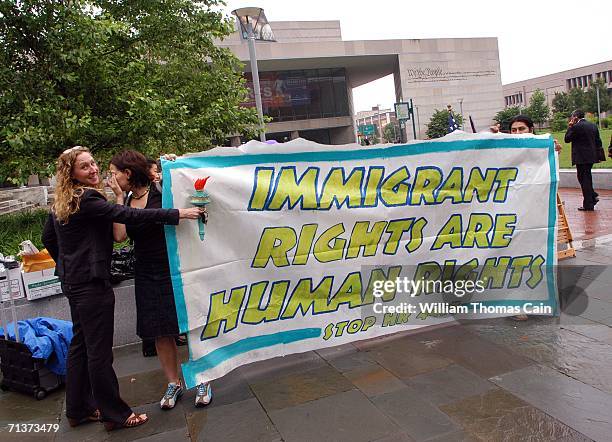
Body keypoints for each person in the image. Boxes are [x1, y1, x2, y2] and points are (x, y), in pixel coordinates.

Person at [41, 146, 202, 431]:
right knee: (99, 353)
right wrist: (180, 213)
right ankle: (115, 414)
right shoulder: (88, 197)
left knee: (80, 346)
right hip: (91, 284)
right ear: (72, 173)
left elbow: (48, 238)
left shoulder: (64, 199)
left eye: (93, 163)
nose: (93, 170)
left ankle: (77, 409)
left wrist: (68, 265)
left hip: (73, 282)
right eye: (84, 167)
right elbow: (130, 216)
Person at [108, 150, 213, 409]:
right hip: (146, 270)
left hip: (175, 266)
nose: (110, 178)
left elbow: (192, 195)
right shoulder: (127, 199)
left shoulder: (162, 191)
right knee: (158, 328)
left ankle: (201, 376)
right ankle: (173, 382)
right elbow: (120, 237)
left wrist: (176, 165)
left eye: (113, 173)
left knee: (188, 323)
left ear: (128, 173)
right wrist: (119, 198)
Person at [564, 110, 603, 211]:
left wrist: (570, 126)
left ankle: (589, 204)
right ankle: (592, 196)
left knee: (584, 179)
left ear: (575, 117)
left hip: (581, 158)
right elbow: (598, 141)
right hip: (591, 157)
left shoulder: (576, 127)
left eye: (572, 117)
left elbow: (567, 139)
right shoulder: (593, 125)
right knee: (586, 178)